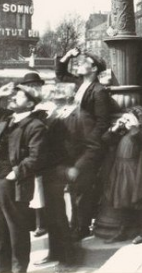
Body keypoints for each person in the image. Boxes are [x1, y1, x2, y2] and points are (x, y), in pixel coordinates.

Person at [0, 83, 47, 273]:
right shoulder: (6, 117)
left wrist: (15, 173)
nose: (14, 97)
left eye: (20, 95)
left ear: (30, 103)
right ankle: (1, 268)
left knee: (16, 229)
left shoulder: (36, 125)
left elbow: (36, 157)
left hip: (13, 183)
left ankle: (19, 269)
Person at [35, 82, 101, 267]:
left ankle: (71, 260)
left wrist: (77, 168)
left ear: (71, 95)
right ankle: (55, 253)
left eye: (61, 90)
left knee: (74, 220)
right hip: (53, 171)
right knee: (53, 216)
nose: (55, 92)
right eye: (55, 90)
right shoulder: (53, 114)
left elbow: (92, 147)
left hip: (73, 172)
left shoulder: (81, 115)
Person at [55, 47, 111, 239]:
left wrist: (90, 143)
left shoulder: (99, 90)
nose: (79, 64)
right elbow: (60, 74)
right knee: (74, 187)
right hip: (73, 143)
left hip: (88, 146)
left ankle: (81, 227)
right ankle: (76, 224)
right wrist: (68, 54)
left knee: (83, 188)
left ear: (94, 68)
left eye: (83, 62)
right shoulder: (79, 83)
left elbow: (103, 122)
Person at [102, 105, 142, 245]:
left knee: (140, 201)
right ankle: (122, 231)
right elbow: (105, 139)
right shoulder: (122, 133)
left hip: (135, 171)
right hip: (121, 170)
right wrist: (115, 128)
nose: (125, 122)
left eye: (129, 118)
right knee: (121, 200)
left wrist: (133, 126)